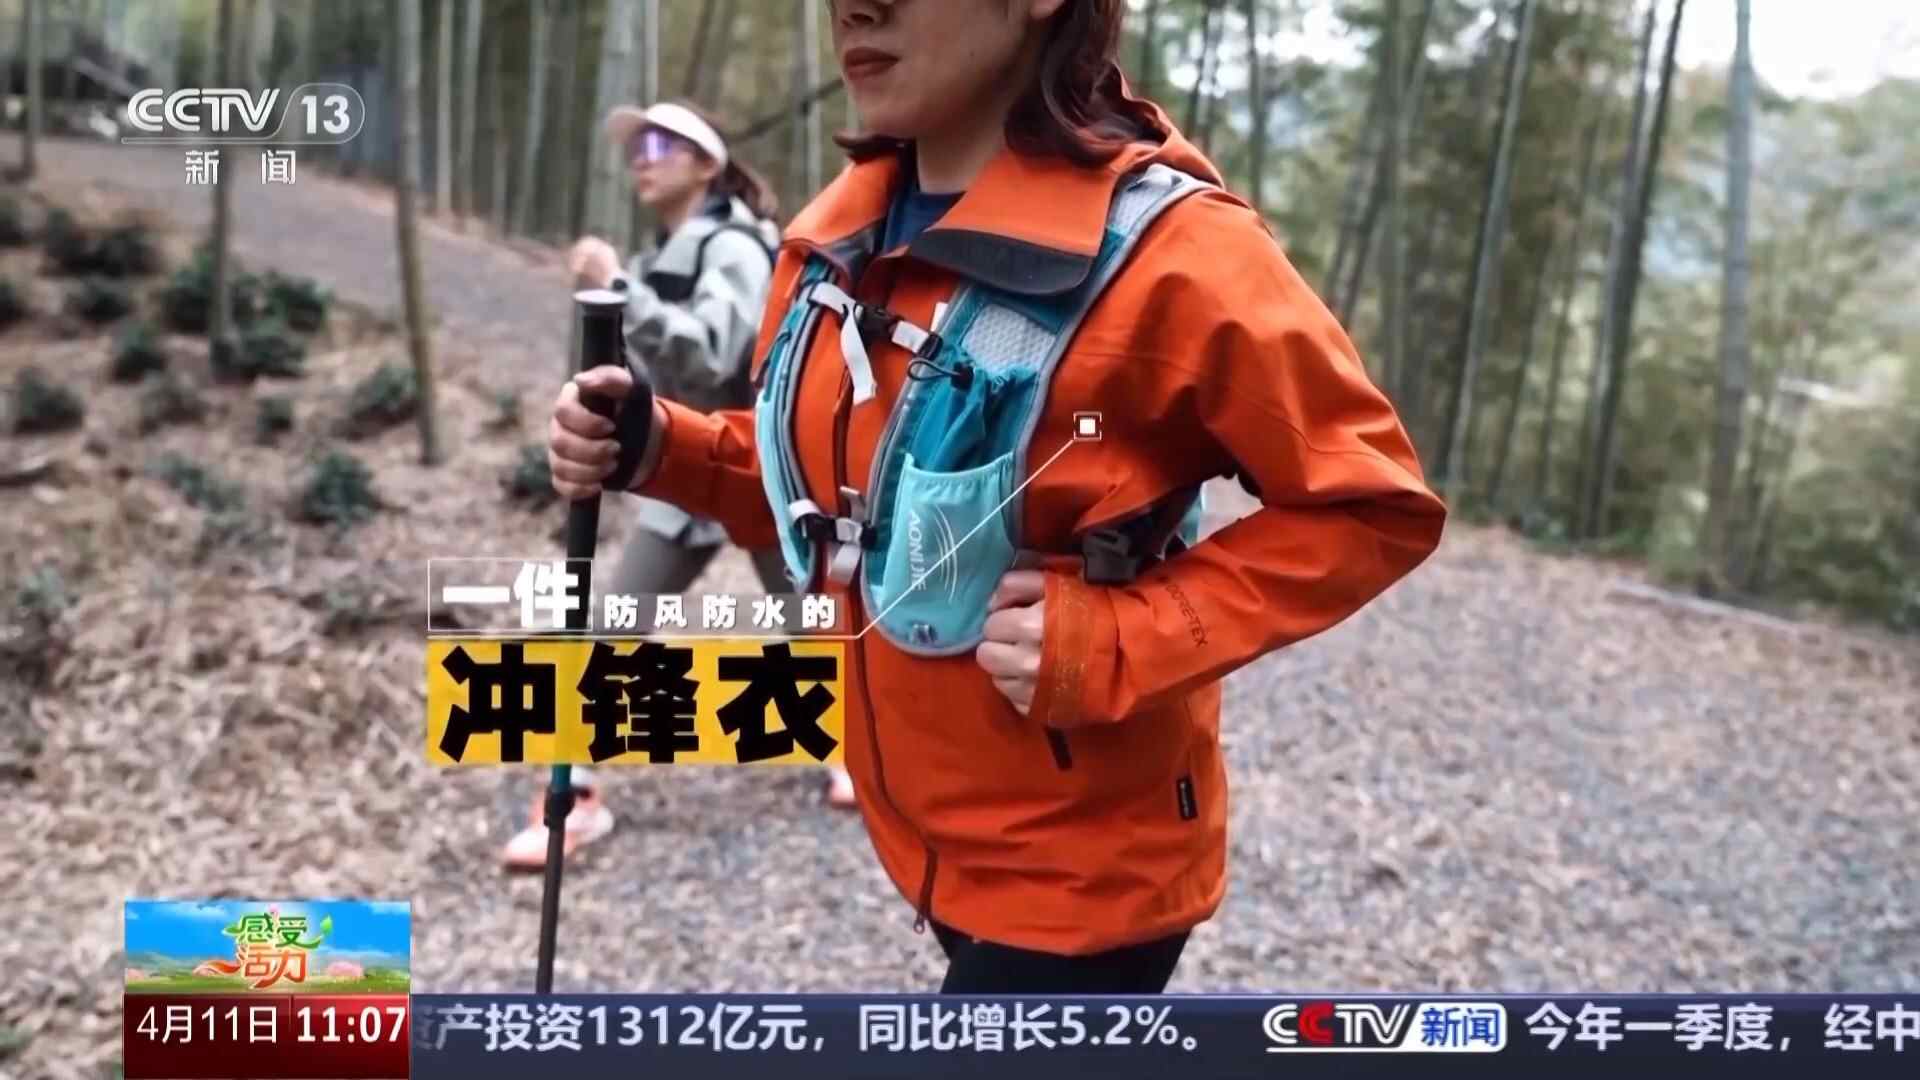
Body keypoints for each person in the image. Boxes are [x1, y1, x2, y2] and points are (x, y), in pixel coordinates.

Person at [544, 0, 1449, 992]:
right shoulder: (837, 234)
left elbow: (1372, 505)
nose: (855, 7)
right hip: (924, 842)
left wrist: (1125, 636)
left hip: (1081, 887)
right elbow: (845, 501)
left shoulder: (1177, 256)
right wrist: (658, 445)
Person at [501, 100, 856, 872]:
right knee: (612, 625)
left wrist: (617, 287)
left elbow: (712, 352)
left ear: (706, 163)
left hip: (753, 470)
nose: (642, 156)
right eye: (636, 145)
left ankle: (859, 751)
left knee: (814, 622)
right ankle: (573, 794)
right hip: (688, 475)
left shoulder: (733, 246)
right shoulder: (667, 251)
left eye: (662, 142)